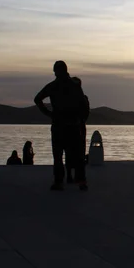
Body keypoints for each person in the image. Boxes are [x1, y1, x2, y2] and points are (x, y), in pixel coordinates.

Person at [34, 61, 90, 191]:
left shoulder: (54, 86)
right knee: (77, 154)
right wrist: (81, 119)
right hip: (72, 125)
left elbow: (37, 99)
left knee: (59, 155)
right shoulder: (75, 85)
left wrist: (49, 114)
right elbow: (83, 103)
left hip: (60, 125)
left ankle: (60, 182)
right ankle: (80, 181)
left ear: (56, 71)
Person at [66, 77, 90, 183]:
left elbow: (86, 114)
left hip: (77, 129)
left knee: (76, 154)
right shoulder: (79, 98)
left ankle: (76, 176)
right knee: (72, 154)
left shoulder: (81, 99)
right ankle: (74, 176)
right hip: (74, 129)